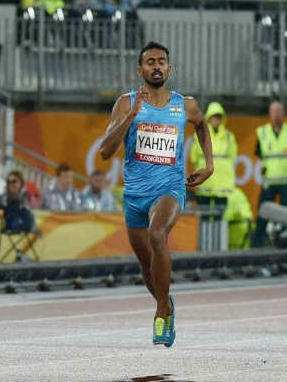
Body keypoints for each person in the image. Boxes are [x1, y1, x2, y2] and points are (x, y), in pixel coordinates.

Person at [99, 41, 214, 347]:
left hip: (170, 188)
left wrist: (209, 164)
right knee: (146, 267)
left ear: (169, 68)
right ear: (140, 70)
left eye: (161, 61)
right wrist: (131, 116)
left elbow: (202, 125)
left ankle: (161, 313)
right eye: (150, 62)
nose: (157, 66)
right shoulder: (126, 103)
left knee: (157, 233)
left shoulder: (185, 105)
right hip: (135, 195)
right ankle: (166, 302)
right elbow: (105, 151)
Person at [253, 100, 287, 247]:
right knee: (262, 215)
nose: (276, 115)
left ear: (283, 113)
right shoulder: (262, 132)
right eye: (274, 112)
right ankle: (257, 247)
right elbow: (258, 152)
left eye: (279, 111)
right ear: (269, 114)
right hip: (269, 182)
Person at [189, 101, 237, 222]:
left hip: (222, 185)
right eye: (214, 116)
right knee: (203, 218)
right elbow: (194, 156)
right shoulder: (200, 135)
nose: (216, 119)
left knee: (219, 219)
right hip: (205, 183)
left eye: (218, 116)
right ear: (208, 117)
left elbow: (233, 156)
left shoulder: (229, 136)